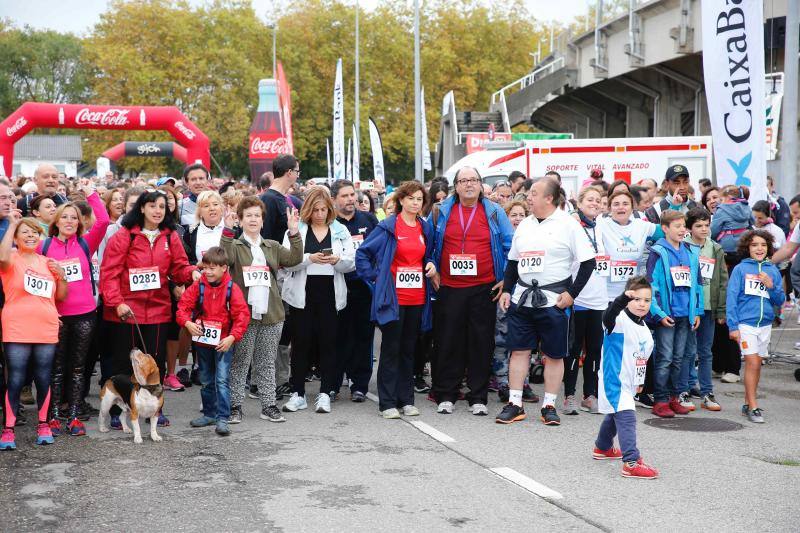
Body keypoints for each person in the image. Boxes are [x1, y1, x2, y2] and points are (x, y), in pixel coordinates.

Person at [495, 178, 596, 426]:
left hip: (553, 300)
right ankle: (515, 403)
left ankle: (549, 405)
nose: (528, 197)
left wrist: (572, 293)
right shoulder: (525, 225)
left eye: (534, 193)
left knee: (553, 354)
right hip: (522, 299)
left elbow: (588, 262)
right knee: (518, 351)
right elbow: (513, 262)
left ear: (549, 198)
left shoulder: (568, 224)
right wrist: (507, 290)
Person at [100, 190, 201, 428]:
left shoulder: (170, 236)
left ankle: (155, 411)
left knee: (156, 363)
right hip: (126, 310)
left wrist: (192, 273)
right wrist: (117, 302)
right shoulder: (126, 236)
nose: (158, 211)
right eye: (152, 206)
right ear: (142, 209)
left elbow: (179, 268)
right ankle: (118, 411)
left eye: (162, 207)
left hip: (157, 309)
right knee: (124, 365)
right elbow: (109, 273)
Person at [431, 167, 514, 416]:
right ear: (455, 186)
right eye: (463, 180)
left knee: (481, 342)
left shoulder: (494, 211)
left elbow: (511, 246)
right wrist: (433, 268)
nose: (469, 184)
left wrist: (505, 280)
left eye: (473, 180)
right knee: (448, 342)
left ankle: (477, 396)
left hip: (484, 287)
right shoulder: (441, 210)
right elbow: (429, 243)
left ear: (480, 185)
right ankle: (447, 393)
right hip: (449, 287)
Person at [356, 181, 437, 418]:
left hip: (417, 297)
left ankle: (406, 399)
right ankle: (388, 402)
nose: (415, 203)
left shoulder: (424, 228)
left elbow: (429, 253)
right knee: (391, 348)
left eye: (419, 199)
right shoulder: (389, 226)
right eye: (411, 198)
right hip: (393, 298)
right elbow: (363, 254)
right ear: (401, 200)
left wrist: (431, 263)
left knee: (409, 350)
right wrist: (376, 279)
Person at [222, 196, 302, 424]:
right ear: (240, 219)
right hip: (243, 315)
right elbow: (225, 258)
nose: (253, 219)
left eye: (257, 215)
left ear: (263, 220)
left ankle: (268, 405)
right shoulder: (235, 246)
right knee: (241, 361)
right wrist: (227, 231)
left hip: (272, 313)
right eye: (248, 216)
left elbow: (295, 258)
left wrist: (294, 233)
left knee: (267, 361)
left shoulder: (272, 246)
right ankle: (235, 406)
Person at [40, 179, 110, 436]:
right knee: (57, 369)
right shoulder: (44, 246)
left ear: (79, 223)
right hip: (56, 316)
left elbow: (102, 221)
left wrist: (91, 193)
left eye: (74, 218)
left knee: (79, 368)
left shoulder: (84, 244)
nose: (69, 221)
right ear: (56, 221)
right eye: (65, 217)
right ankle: (55, 415)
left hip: (84, 315)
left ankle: (74, 416)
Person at [280, 187, 354, 414]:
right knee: (301, 343)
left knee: (328, 343)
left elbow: (351, 262)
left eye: (323, 209)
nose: (320, 214)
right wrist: (308, 258)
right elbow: (287, 261)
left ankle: (325, 393)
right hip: (303, 293)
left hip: (330, 293)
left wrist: (335, 260)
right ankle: (298, 392)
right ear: (308, 210)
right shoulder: (296, 229)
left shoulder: (340, 230)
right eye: (316, 210)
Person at [0, 215, 68, 450]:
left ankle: (44, 424)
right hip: (16, 326)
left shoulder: (47, 262)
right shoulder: (11, 259)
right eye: (25, 232)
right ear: (16, 237)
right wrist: (11, 224)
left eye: (35, 232)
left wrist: (62, 276)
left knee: (43, 377)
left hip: (46, 326)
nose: (30, 236)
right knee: (16, 378)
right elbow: (1, 256)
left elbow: (59, 296)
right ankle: (8, 429)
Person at [177, 247, 250, 436]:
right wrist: (187, 323)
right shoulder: (198, 286)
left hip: (223, 342)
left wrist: (232, 337)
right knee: (206, 380)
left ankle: (223, 418)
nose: (207, 272)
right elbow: (183, 307)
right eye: (205, 268)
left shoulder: (231, 288)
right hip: (202, 341)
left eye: (212, 268)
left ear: (224, 268)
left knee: (222, 380)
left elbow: (242, 315)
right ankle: (209, 414)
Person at [593, 277, 658, 479]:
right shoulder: (618, 321)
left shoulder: (645, 329)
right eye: (637, 299)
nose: (642, 304)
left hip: (630, 381)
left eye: (646, 300)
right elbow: (607, 315)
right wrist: (621, 299)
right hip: (614, 379)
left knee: (616, 414)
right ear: (628, 299)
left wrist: (640, 382)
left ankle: (602, 447)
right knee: (627, 415)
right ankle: (631, 461)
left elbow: (642, 359)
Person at [645, 210, 703, 418]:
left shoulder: (690, 252)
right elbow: (652, 285)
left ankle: (673, 397)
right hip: (667, 315)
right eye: (677, 226)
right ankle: (660, 399)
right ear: (665, 229)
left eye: (683, 226)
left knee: (680, 358)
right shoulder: (658, 252)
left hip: (685, 315)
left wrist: (697, 311)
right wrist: (658, 313)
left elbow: (697, 285)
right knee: (665, 358)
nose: (682, 230)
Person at [726, 230, 784, 423]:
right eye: (754, 245)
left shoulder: (772, 270)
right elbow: (731, 298)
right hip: (745, 325)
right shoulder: (740, 270)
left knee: (757, 365)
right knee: (752, 362)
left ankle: (747, 403)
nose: (759, 248)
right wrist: (733, 326)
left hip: (765, 325)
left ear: (768, 248)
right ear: (747, 248)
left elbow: (780, 300)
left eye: (763, 245)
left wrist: (771, 285)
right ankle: (753, 406)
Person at [331, 180, 379, 402]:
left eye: (352, 195)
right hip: (338, 287)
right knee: (338, 337)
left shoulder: (368, 219)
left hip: (364, 288)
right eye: (345, 196)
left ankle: (360, 384)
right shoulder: (331, 224)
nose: (351, 199)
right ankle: (333, 383)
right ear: (334, 199)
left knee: (364, 336)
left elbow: (379, 249)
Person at [563, 186, 608, 415]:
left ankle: (589, 395)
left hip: (599, 300)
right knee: (572, 350)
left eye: (598, 200)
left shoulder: (601, 226)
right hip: (577, 297)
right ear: (579, 203)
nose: (594, 203)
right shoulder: (572, 225)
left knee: (595, 350)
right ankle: (569, 395)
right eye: (589, 199)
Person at [682, 208, 726, 412]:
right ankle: (683, 390)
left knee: (705, 352)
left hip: (708, 306)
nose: (704, 229)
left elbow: (722, 280)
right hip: (689, 307)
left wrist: (721, 310)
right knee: (687, 351)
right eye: (698, 225)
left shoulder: (715, 248)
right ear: (689, 228)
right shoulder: (683, 246)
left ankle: (707, 392)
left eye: (707, 225)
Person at [711, 185, 754, 266]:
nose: (720, 202)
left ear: (728, 197)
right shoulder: (746, 206)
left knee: (727, 272)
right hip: (745, 244)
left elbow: (714, 230)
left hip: (727, 247)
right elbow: (752, 222)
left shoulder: (722, 209)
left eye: (721, 199)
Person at [184, 190, 226, 265]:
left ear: (221, 208)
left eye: (215, 204)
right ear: (199, 211)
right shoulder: (191, 232)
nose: (212, 208)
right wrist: (197, 265)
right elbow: (185, 261)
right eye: (206, 206)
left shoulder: (233, 229)